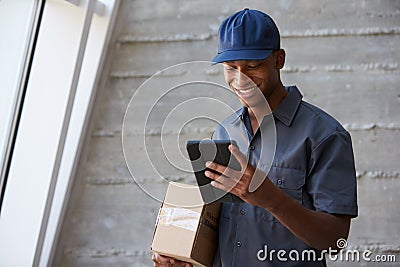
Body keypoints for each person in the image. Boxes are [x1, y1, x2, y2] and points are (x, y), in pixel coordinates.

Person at [153, 8, 358, 266]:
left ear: (279, 59)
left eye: (253, 66)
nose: (241, 79)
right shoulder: (224, 131)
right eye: (231, 68)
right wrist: (183, 255)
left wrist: (270, 198)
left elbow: (335, 240)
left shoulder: (325, 136)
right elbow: (218, 224)